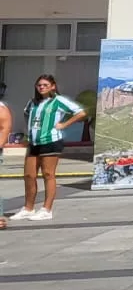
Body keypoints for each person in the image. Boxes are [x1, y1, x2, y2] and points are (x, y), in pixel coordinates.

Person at [15, 75, 86, 222]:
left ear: (53, 86)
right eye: (39, 85)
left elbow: (80, 113)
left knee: (48, 174)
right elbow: (27, 116)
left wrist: (64, 125)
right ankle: (28, 208)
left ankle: (46, 209)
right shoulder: (32, 102)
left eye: (45, 85)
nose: (42, 87)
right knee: (29, 175)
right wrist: (29, 132)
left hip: (51, 141)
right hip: (34, 142)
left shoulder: (58, 101)